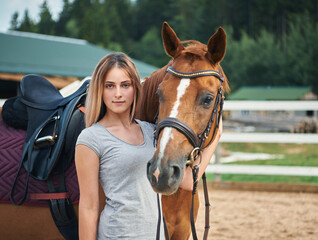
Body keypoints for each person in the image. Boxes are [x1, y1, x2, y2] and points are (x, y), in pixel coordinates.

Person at [75, 52, 222, 239]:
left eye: (125, 85)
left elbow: (187, 180)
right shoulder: (90, 138)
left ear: (136, 88)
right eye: (109, 86)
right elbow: (89, 207)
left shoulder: (150, 131)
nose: (118, 94)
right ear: (99, 90)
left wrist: (217, 134)